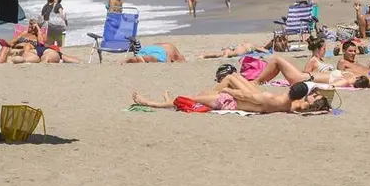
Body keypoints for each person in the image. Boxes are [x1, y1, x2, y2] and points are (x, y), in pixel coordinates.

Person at [132, 75, 331, 114]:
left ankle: (154, 103)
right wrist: (322, 105)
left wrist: (227, 90)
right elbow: (310, 107)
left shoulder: (271, 98)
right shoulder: (295, 106)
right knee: (201, 94)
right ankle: (167, 101)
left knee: (185, 99)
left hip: (229, 102)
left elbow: (244, 97)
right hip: (238, 102)